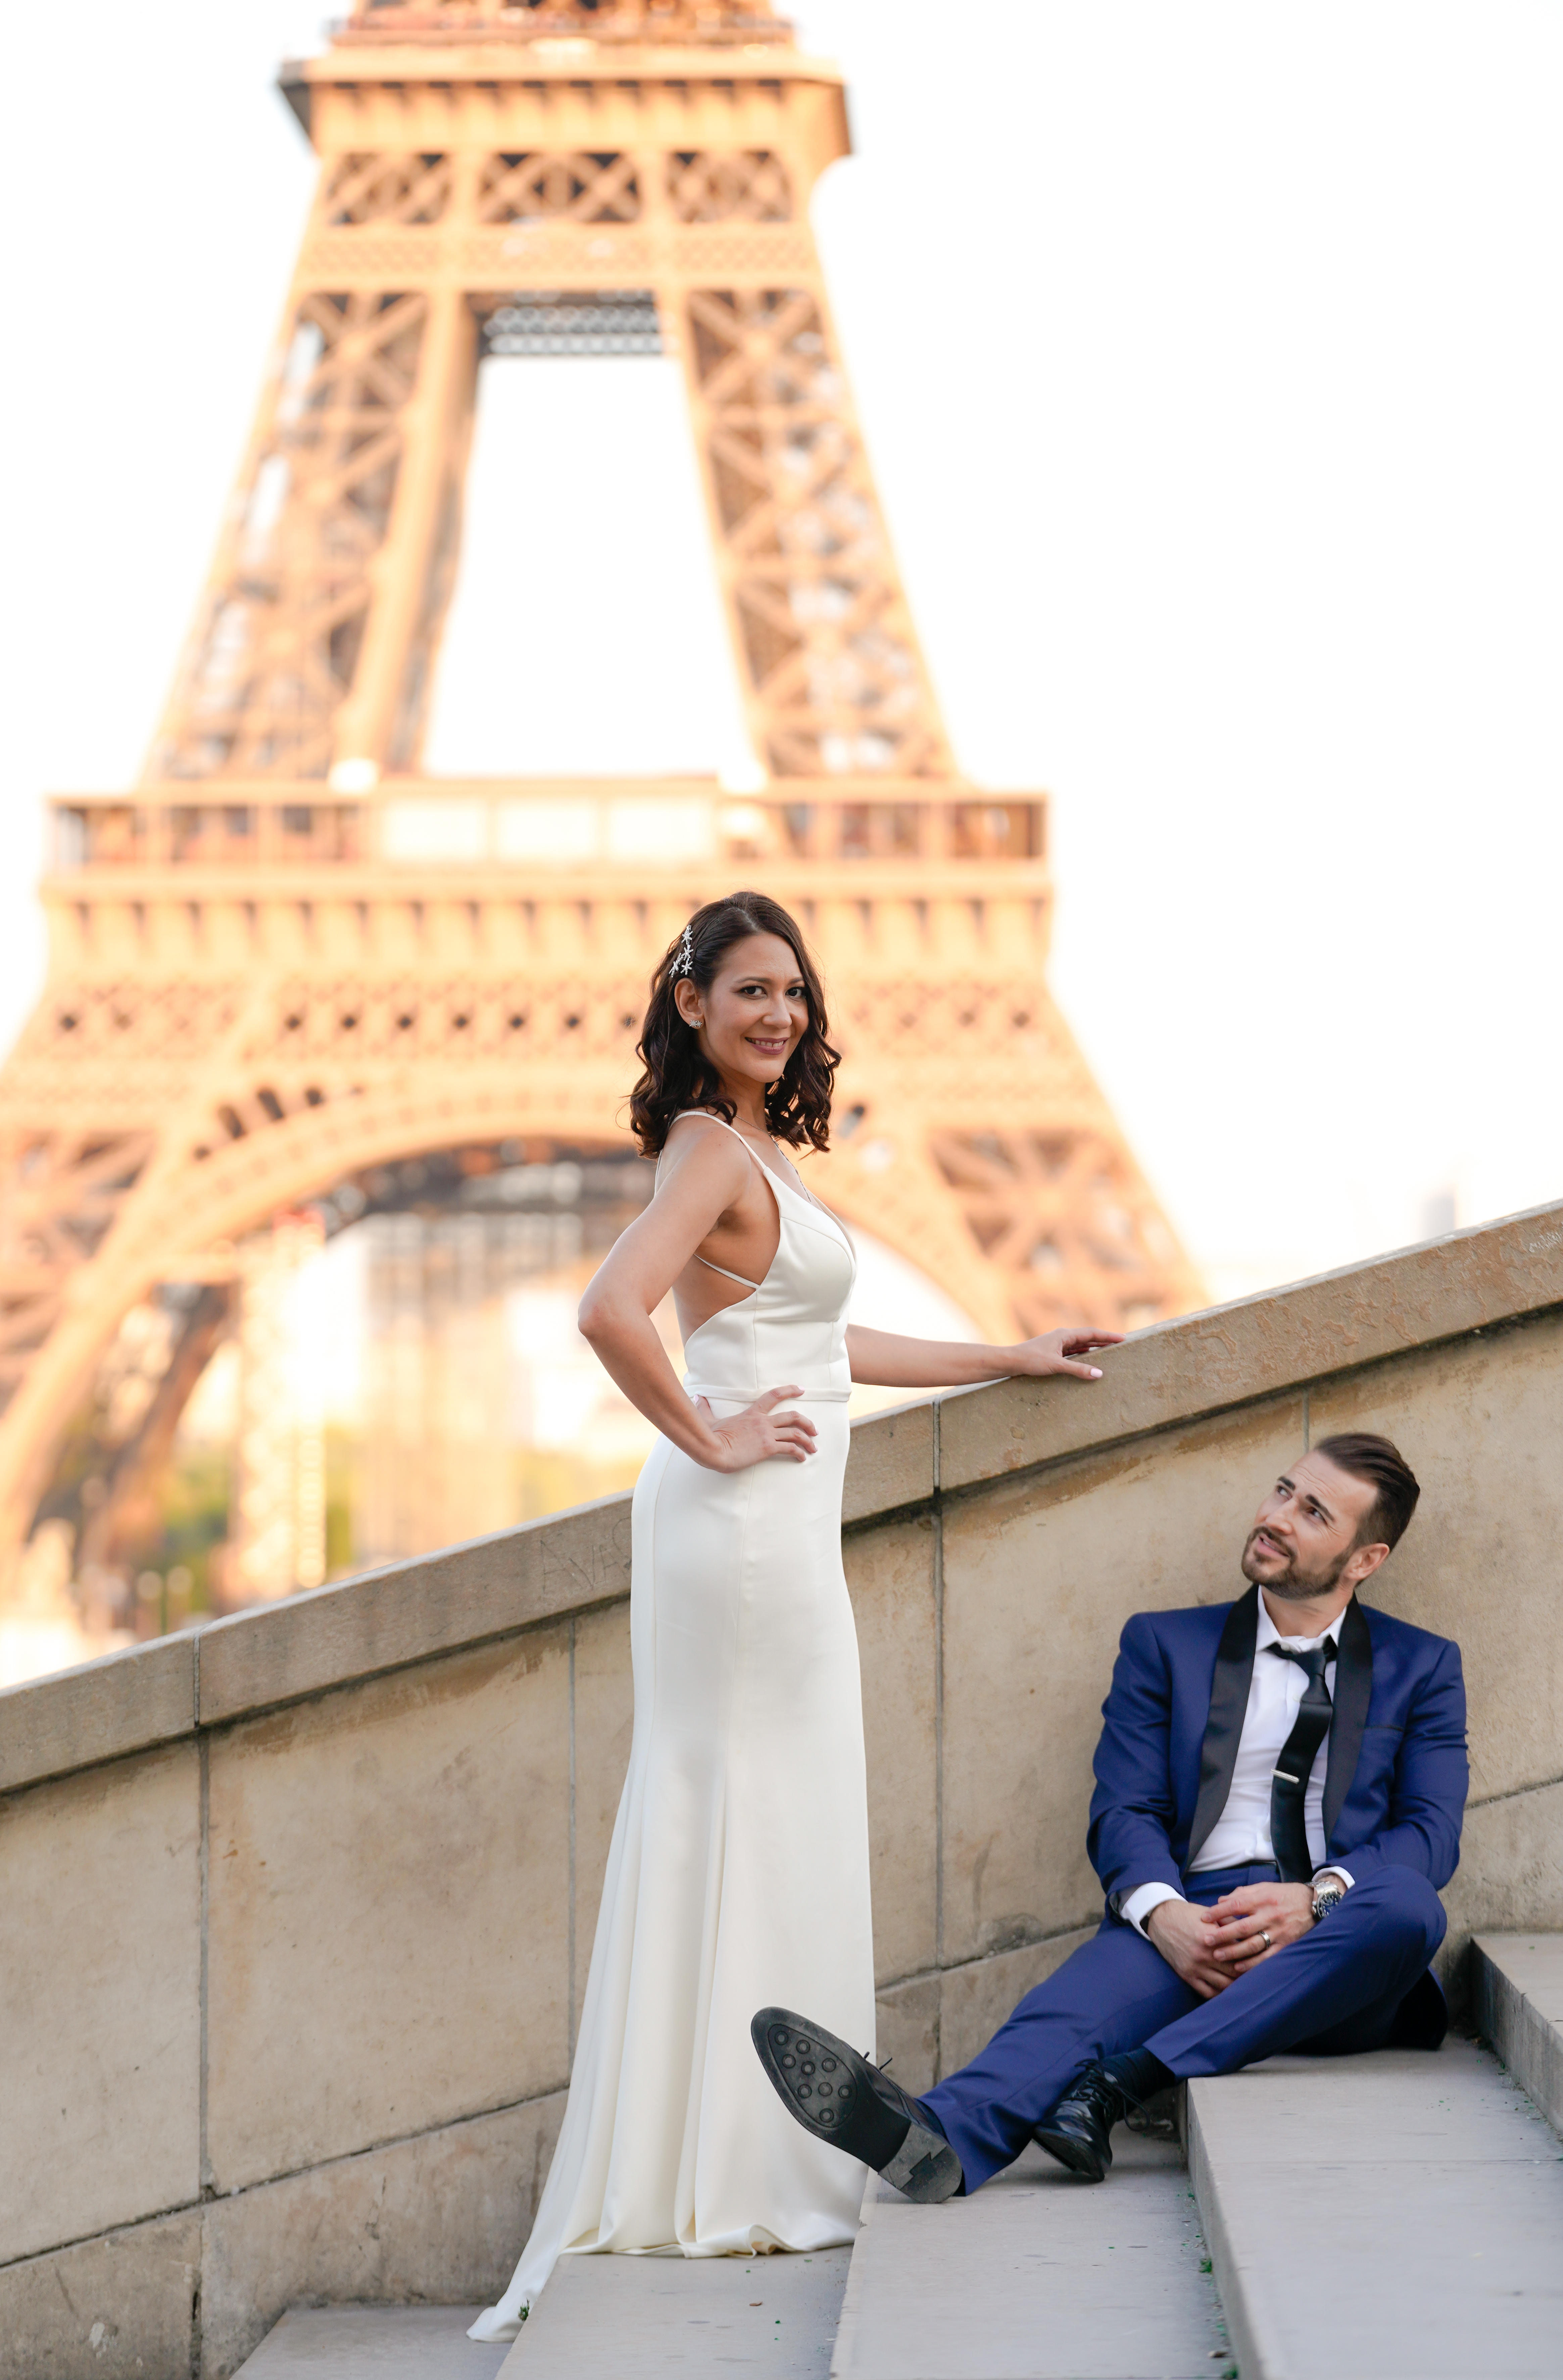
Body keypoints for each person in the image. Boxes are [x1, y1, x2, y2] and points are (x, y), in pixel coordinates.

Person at [469, 891, 1119, 2340]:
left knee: (759, 1811)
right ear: (690, 999)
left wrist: (1006, 1353)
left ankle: (737, 2155)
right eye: (750, 990)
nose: (779, 1014)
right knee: (759, 1805)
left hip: (769, 1531)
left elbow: (826, 1344)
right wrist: (704, 1439)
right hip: (744, 1528)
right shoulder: (706, 1147)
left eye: (793, 993)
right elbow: (608, 1310)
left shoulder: (749, 1151)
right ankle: (746, 2166)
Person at [755, 1432, 1467, 2201]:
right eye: (1282, 1490)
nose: (1276, 1517)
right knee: (1079, 2001)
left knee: (1406, 1905)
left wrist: (1314, 1901)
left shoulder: (1423, 1664)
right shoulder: (1165, 1644)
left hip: (1336, 1957)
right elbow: (1125, 1808)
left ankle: (1130, 2077)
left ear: (1364, 1559)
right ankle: (928, 2137)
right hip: (1198, 1925)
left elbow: (1430, 1834)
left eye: (1314, 1511)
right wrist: (1166, 1917)